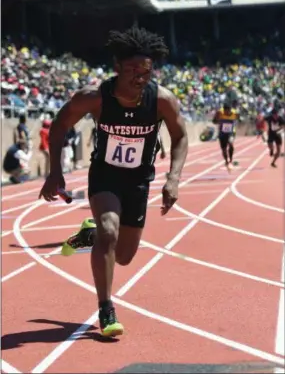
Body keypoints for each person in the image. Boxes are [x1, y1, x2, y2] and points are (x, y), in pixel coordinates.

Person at [39, 26, 188, 338]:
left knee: (124, 256)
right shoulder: (94, 98)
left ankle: (89, 234)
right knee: (110, 230)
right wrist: (55, 172)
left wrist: (173, 179)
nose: (139, 77)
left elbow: (180, 136)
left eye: (145, 70)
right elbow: (60, 125)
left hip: (138, 180)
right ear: (117, 67)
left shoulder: (162, 100)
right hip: (105, 174)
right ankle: (106, 308)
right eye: (132, 69)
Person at [212, 102, 239, 171]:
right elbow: (214, 121)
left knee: (231, 143)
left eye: (228, 110)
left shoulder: (235, 113)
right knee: (224, 149)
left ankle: (231, 160)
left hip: (231, 132)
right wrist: (217, 118)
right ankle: (226, 161)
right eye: (225, 111)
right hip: (222, 133)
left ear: (230, 109)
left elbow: (238, 119)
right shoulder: (220, 113)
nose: (226, 112)